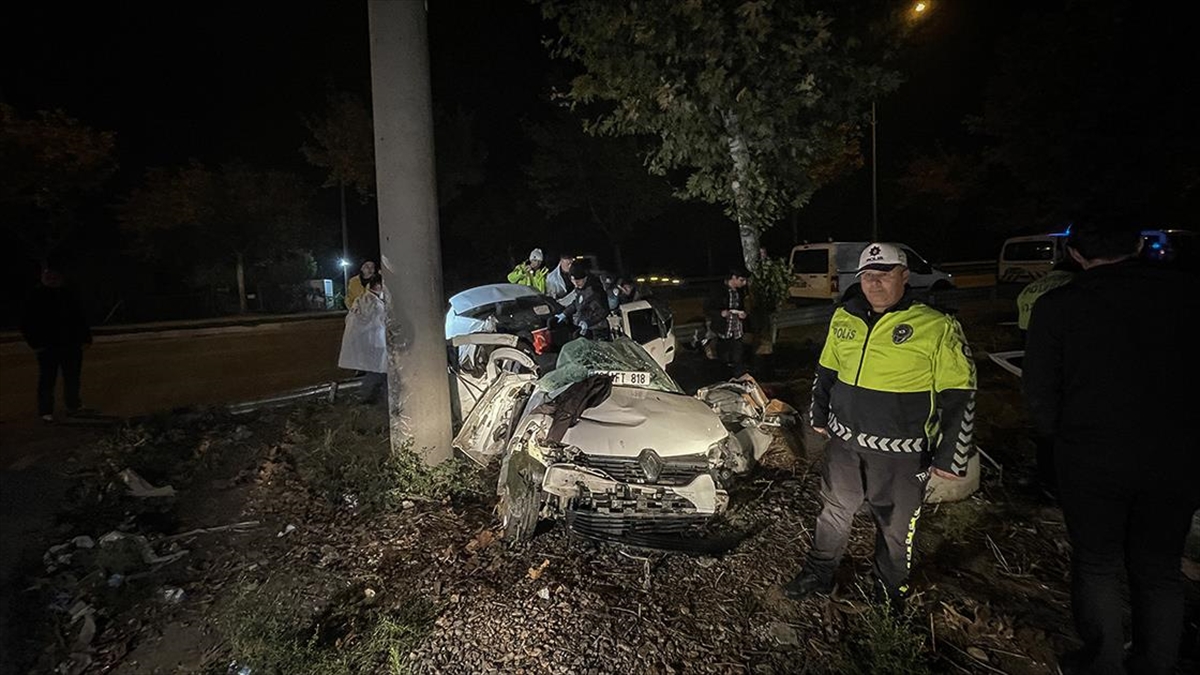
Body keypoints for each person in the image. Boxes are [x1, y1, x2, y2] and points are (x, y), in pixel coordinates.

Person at [1022, 218, 1200, 675]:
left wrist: (1055, 440)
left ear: (1076, 254)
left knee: (1097, 561)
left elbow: (1040, 389)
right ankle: (1156, 661)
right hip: (1175, 455)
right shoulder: (1187, 293)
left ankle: (1101, 660)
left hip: (1090, 455)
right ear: (1140, 244)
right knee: (1159, 566)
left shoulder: (1059, 305)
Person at [784, 243, 977, 608]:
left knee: (895, 525)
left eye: (884, 274)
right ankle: (818, 573)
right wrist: (819, 414)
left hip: (902, 453)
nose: (874, 283)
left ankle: (889, 592)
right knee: (833, 511)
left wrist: (953, 454)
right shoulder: (845, 317)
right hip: (844, 445)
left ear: (904, 276)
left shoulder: (936, 325)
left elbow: (960, 393)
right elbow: (826, 371)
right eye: (867, 276)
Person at [1015, 256, 1079, 499]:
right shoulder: (1072, 286)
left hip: (1034, 354)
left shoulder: (1030, 288)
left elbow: (1022, 329)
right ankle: (1059, 479)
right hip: (1063, 362)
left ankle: (1046, 477)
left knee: (1043, 422)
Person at [20, 266, 94, 423]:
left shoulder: (68, 294)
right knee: (47, 379)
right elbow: (27, 323)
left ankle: (73, 405)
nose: (53, 279)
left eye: (56, 275)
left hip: (71, 344)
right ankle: (46, 410)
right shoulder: (36, 296)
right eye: (49, 276)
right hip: (48, 346)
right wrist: (35, 343)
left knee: (72, 377)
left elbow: (79, 318)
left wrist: (86, 338)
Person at [338, 274, 389, 404]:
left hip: (375, 341)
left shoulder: (367, 300)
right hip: (374, 342)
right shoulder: (367, 301)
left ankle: (374, 398)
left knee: (379, 371)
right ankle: (369, 398)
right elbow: (373, 321)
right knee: (377, 371)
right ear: (378, 285)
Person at [704, 268, 750, 377]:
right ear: (733, 278)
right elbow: (708, 309)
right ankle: (723, 378)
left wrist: (743, 314)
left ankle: (737, 378)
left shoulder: (740, 292)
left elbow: (742, 307)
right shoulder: (719, 291)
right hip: (723, 331)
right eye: (741, 280)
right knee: (723, 359)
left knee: (737, 358)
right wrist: (720, 313)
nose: (743, 283)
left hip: (737, 330)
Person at [554, 262, 611, 340]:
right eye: (573, 281)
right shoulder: (581, 288)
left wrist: (588, 323)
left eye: (578, 281)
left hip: (597, 330)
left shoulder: (594, 291)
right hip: (585, 329)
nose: (576, 284)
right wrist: (564, 314)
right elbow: (577, 303)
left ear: (585, 278)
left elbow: (602, 311)